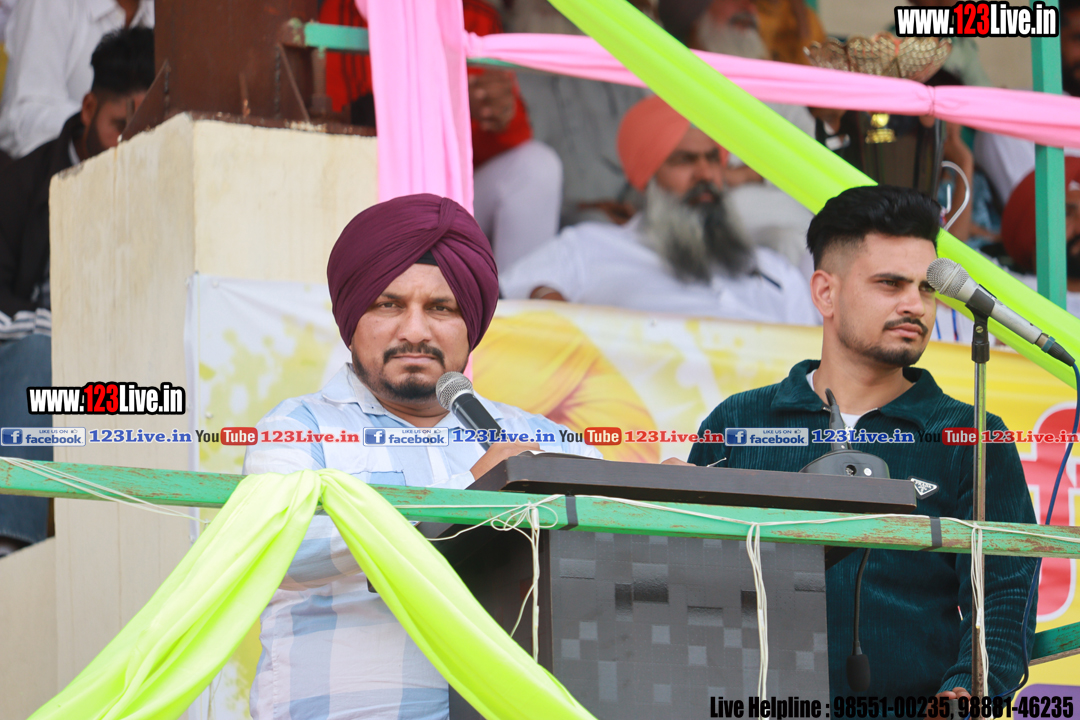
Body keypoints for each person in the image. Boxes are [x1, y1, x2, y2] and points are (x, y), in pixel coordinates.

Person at [243, 193, 600, 720]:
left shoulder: (538, 437)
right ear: (352, 318)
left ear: (470, 324)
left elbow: (609, 547)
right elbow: (277, 553)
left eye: (441, 308)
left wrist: (664, 495)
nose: (415, 330)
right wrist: (473, 499)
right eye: (389, 305)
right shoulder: (299, 429)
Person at [683, 185, 1038, 696]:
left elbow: (1005, 597)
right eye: (890, 284)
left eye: (927, 288)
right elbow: (691, 586)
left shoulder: (972, 436)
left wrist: (963, 695)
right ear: (825, 293)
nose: (915, 305)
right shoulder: (738, 420)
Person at [0, 25, 154, 557]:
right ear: (88, 108)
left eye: (143, 129)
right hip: (32, 371)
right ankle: (11, 546)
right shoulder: (19, 184)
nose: (126, 144)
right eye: (119, 125)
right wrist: (62, 334)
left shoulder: (154, 186)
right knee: (37, 358)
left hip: (107, 381)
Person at [501, 95, 819, 326]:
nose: (705, 174)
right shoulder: (588, 248)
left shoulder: (776, 272)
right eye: (684, 160)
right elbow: (509, 298)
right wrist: (546, 301)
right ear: (647, 178)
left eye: (713, 159)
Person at [317, 0, 562, 271]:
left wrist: (497, 112)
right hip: (372, 199)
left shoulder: (475, 13)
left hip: (451, 202)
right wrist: (441, 100)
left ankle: (516, 294)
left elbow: (510, 139)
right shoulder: (348, 7)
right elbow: (335, 128)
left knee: (537, 167)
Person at [0, 0, 153, 160]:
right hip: (47, 169)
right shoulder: (51, 4)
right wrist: (95, 121)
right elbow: (24, 117)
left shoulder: (162, 11)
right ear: (89, 108)